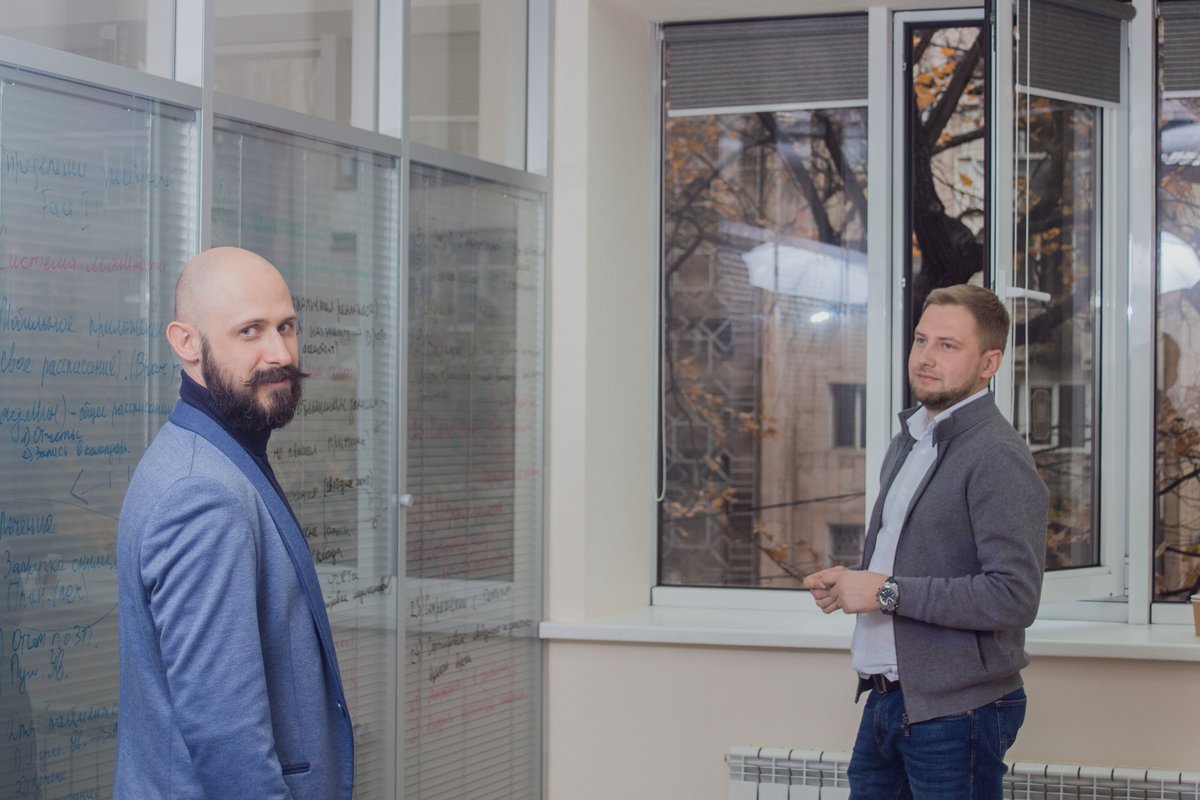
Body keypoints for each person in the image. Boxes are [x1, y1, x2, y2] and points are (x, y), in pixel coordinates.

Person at [115, 247, 354, 800]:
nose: (280, 353)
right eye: (250, 331)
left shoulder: (214, 455)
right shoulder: (202, 494)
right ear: (186, 342)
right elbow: (230, 743)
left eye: (286, 326)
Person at [803, 284, 1049, 799]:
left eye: (948, 345)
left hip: (958, 712)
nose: (926, 357)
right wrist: (854, 582)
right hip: (887, 698)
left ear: (989, 364)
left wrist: (884, 591)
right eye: (921, 340)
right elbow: (916, 560)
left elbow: (1013, 596)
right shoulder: (909, 441)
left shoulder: (997, 456)